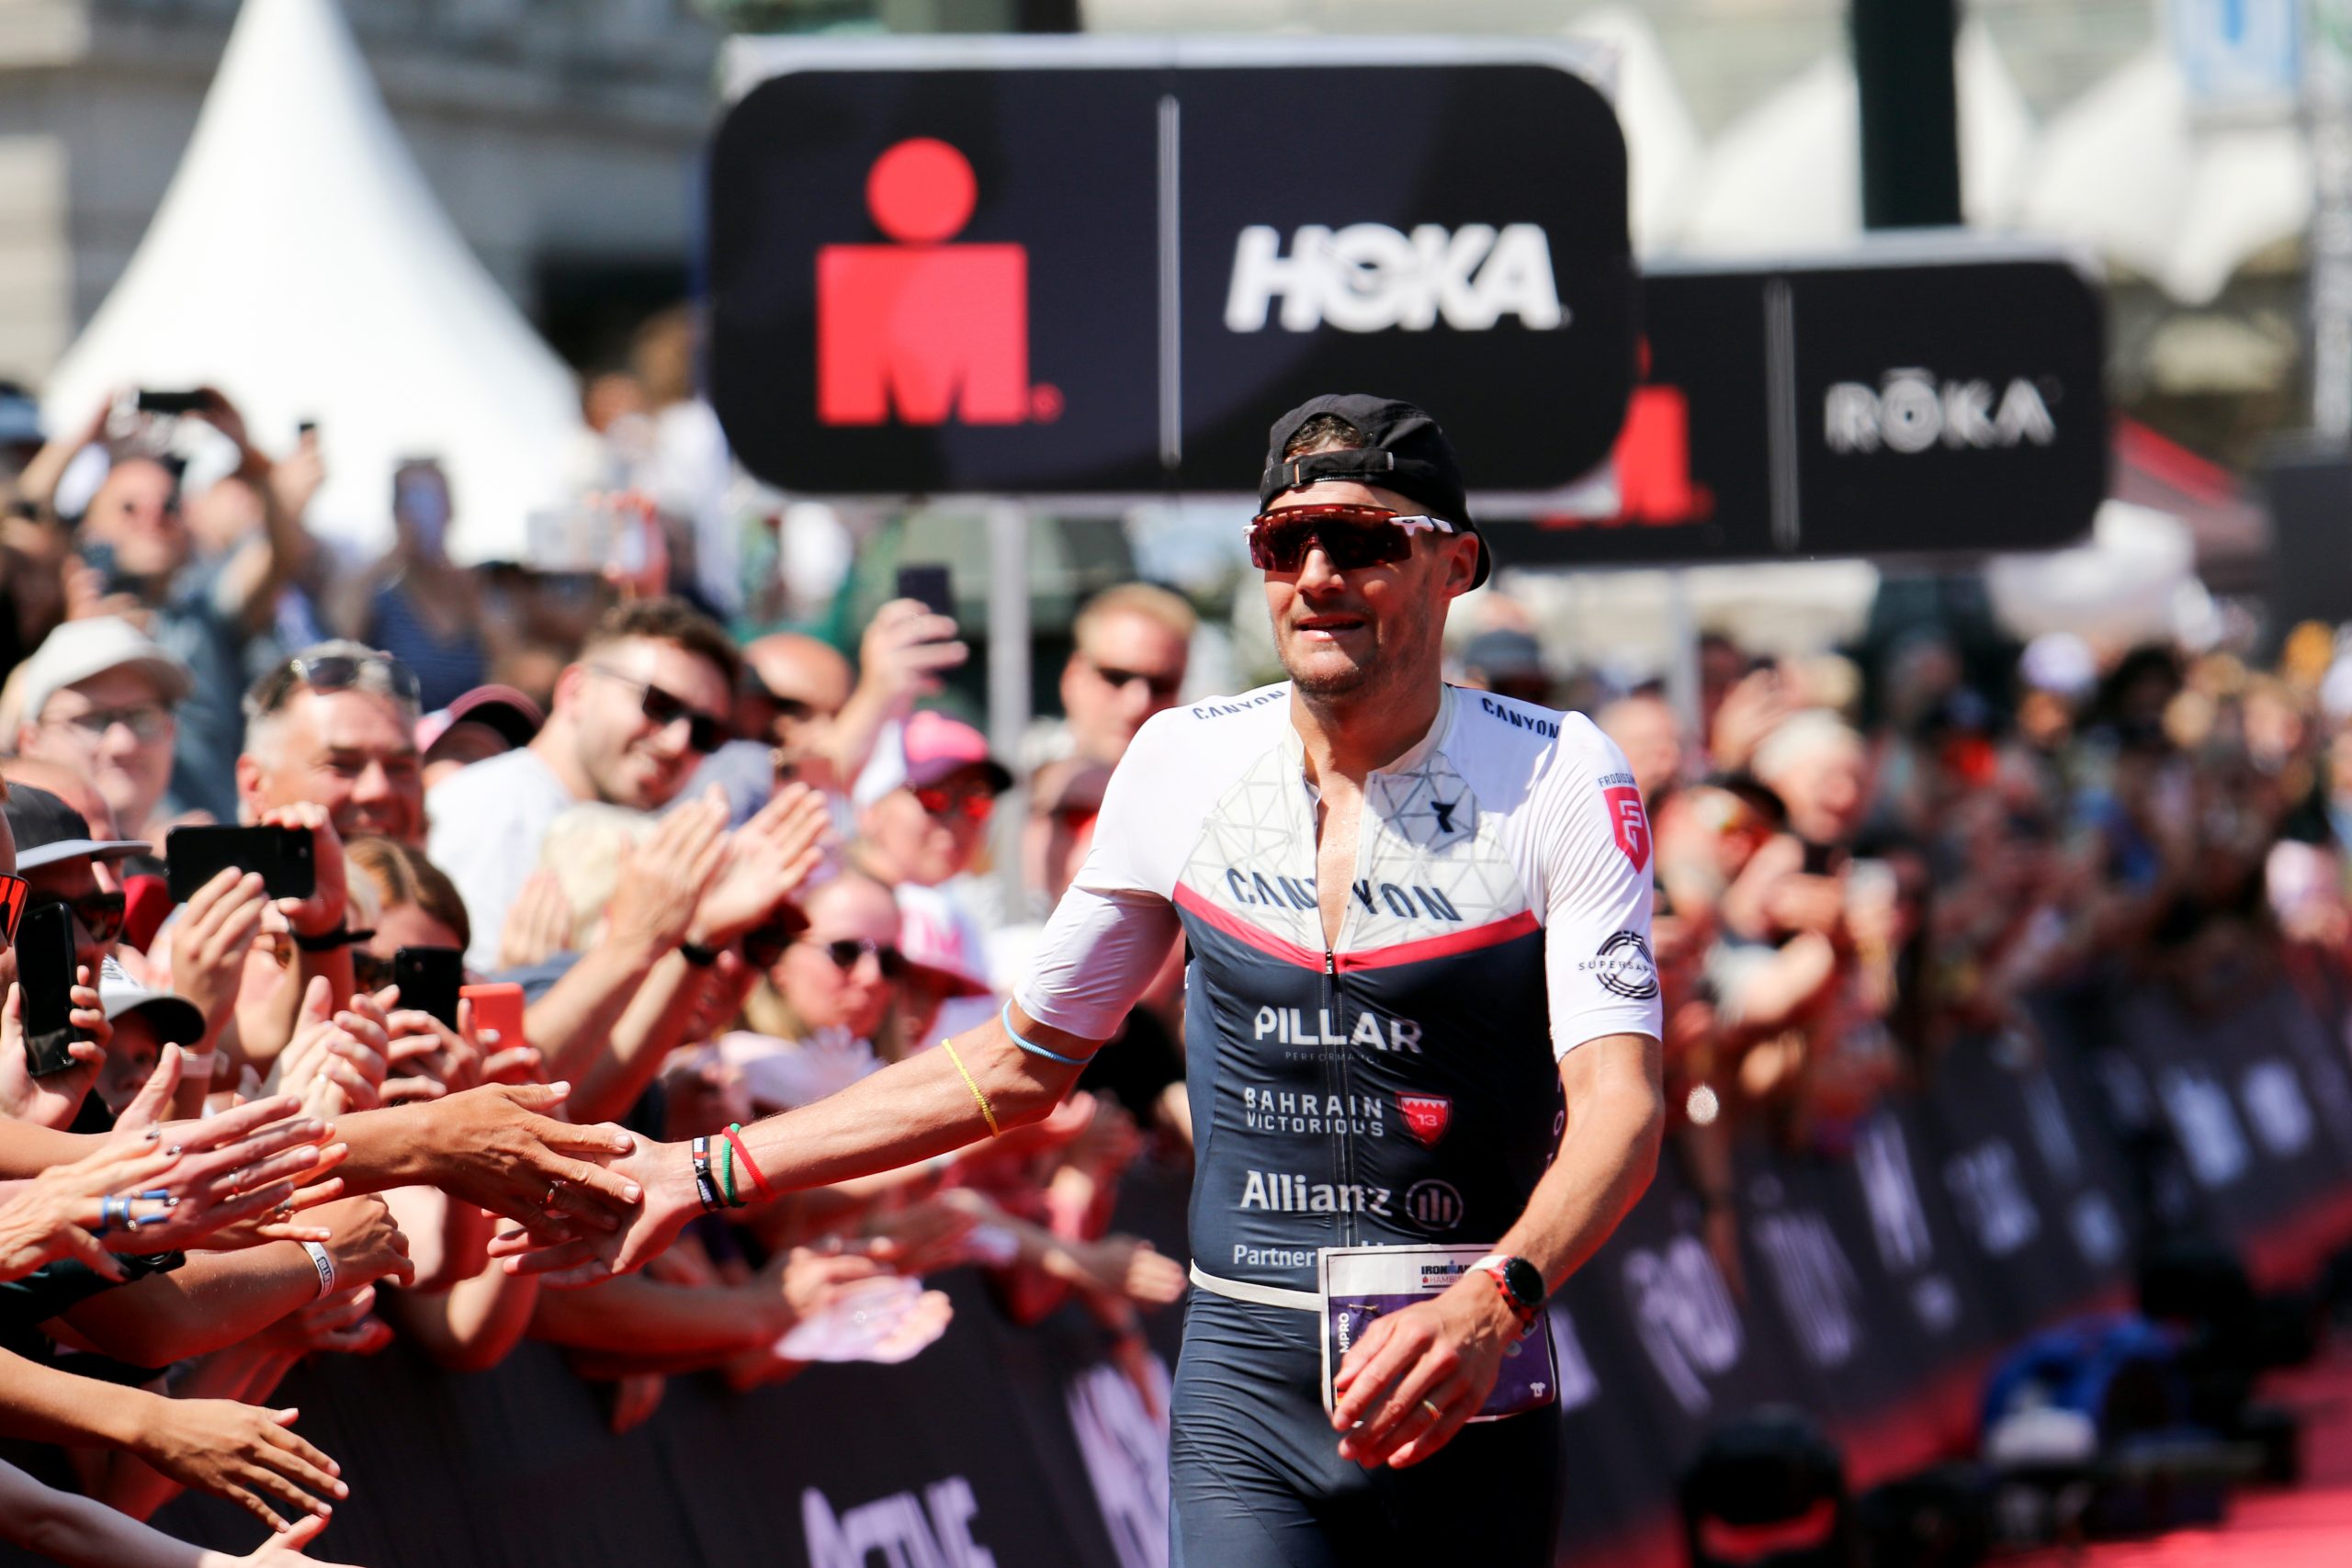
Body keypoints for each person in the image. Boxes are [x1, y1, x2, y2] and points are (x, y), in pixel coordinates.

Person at [506, 394, 1666, 1567]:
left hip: (1465, 1365)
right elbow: (1015, 1067)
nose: (1317, 575)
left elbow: (1619, 1104)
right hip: (1247, 1393)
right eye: (1283, 543)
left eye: (1363, 541)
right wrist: (706, 1168)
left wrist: (1498, 1295)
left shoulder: (1557, 772)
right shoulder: (1182, 762)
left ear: (1454, 563)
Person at [426, 597, 736, 971]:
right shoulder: (490, 808)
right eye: (660, 704)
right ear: (576, 691)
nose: (677, 742)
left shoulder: (650, 835)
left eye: (706, 732)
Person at [12, 617, 193, 843]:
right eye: (91, 720)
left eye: (143, 717)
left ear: (172, 731)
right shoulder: (12, 871)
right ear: (30, 742)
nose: (124, 743)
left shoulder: (189, 865)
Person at [236, 642, 425, 847]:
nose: (378, 791)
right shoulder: (205, 879)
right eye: (342, 765)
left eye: (400, 768)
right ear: (255, 784)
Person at [1056, 582, 1193, 767]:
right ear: (1073, 677)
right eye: (1116, 677)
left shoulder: (1209, 787)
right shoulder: (1019, 781)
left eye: (1161, 685)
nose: (1137, 704)